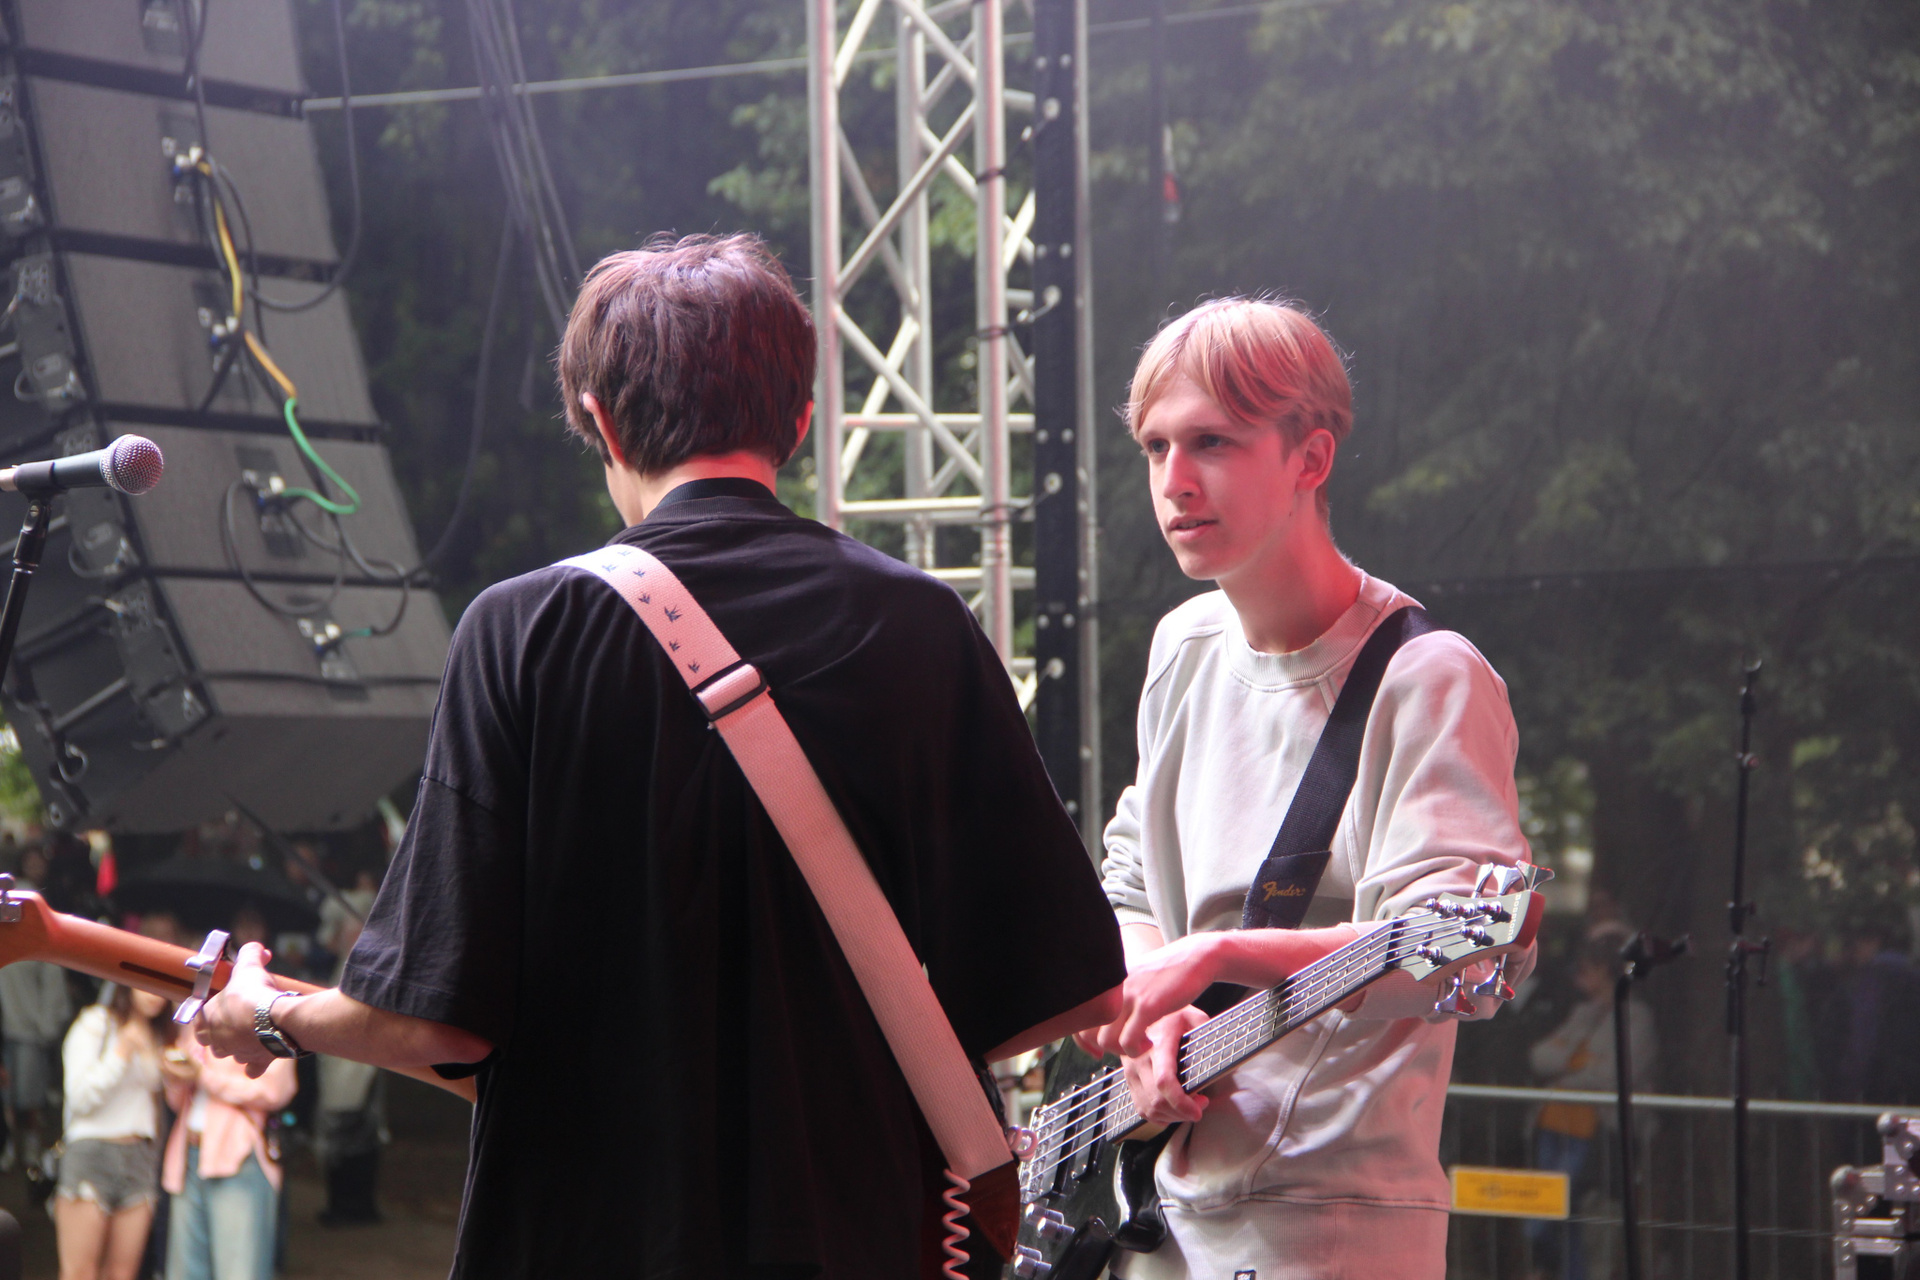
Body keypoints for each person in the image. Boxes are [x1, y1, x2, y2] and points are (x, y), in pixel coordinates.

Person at [189, 232, 1126, 1279]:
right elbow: (1072, 993)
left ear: (598, 418)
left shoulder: (522, 631)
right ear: (800, 421)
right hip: (854, 1241)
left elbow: (431, 1025)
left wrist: (266, 1012)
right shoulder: (922, 625)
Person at [1085, 298, 1538, 1280]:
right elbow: (1128, 884)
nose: (1174, 480)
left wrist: (1220, 952)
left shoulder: (1429, 679)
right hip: (1156, 1212)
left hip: (1332, 1228)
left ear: (1311, 457)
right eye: (1155, 446)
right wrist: (1150, 1013)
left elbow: (1459, 957)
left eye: (1213, 441)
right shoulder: (1182, 647)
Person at [1524, 928, 1657, 1280]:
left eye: (1587, 968)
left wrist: (1566, 1069)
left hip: (1597, 1134)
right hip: (1555, 1125)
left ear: (1607, 970)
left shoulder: (1636, 1017)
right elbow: (1540, 1057)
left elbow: (1612, 1074)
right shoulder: (1582, 1012)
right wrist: (1577, 1062)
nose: (1578, 975)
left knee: (1582, 1213)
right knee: (1546, 1210)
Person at [160, 1021, 297, 1280]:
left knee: (239, 1269)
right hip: (188, 1154)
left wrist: (203, 1076)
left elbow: (275, 1090)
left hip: (239, 1155)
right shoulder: (196, 1017)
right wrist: (175, 1075)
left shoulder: (265, 1014)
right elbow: (177, 1101)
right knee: (184, 1271)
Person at [54, 984, 173, 1280]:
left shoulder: (160, 1034)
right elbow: (79, 1098)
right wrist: (121, 1052)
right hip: (92, 1153)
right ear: (124, 982)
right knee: (80, 1273)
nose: (155, 994)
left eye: (161, 988)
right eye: (145, 985)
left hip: (140, 1157)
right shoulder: (95, 1022)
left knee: (122, 1273)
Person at [1, 845, 73, 1170]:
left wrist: (46, 1026)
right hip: (7, 1027)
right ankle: (9, 1146)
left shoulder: (38, 941)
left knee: (29, 1097)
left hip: (28, 1029)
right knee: (7, 1097)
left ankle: (29, 1145)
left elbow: (53, 983)